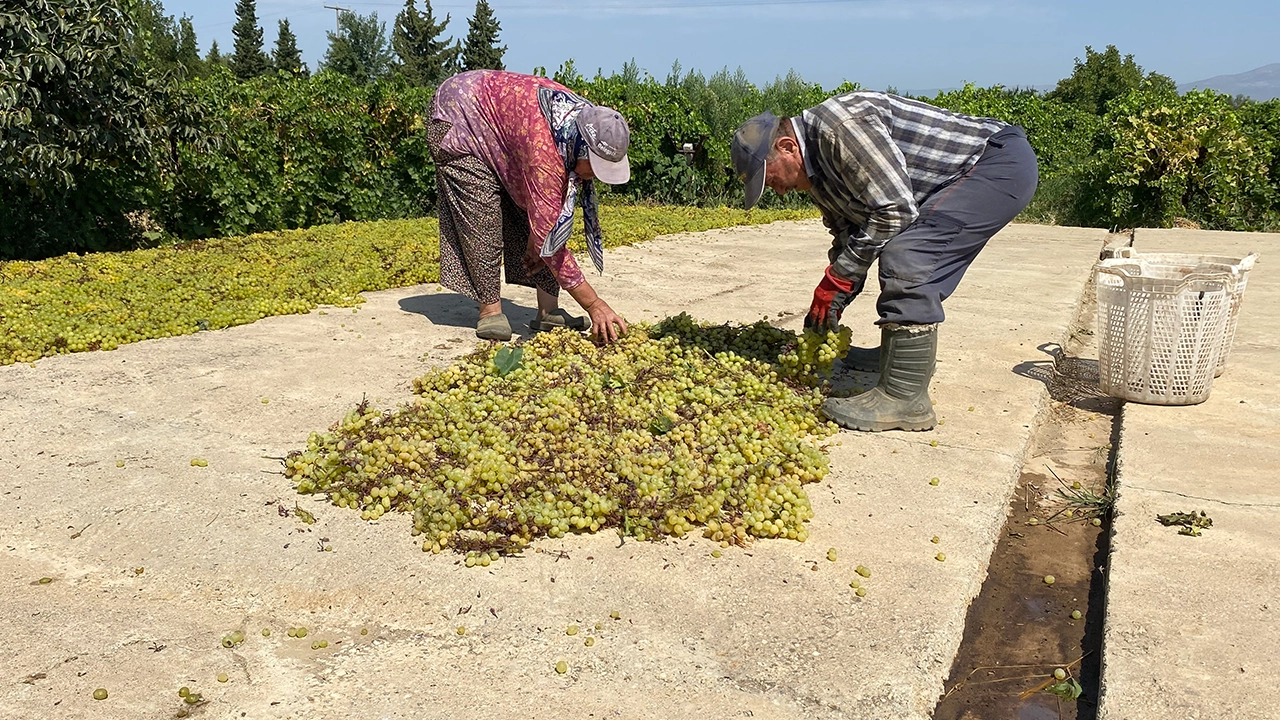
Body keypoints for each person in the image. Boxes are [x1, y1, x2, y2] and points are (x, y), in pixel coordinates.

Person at [731, 92, 1038, 432]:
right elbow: (849, 238)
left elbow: (896, 210)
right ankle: (896, 359)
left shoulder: (840, 126)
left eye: (772, 179)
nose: (781, 192)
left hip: (995, 164)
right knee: (897, 250)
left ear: (788, 147)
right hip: (967, 175)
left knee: (908, 255)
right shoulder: (817, 175)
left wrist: (842, 276)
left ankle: (906, 397)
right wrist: (836, 290)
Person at [428, 70, 631, 342]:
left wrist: (538, 240)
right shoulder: (546, 153)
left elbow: (550, 220)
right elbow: (550, 236)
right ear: (581, 150)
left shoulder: (588, 124)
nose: (595, 176)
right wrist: (594, 304)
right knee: (483, 217)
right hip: (457, 115)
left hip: (504, 129)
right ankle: (490, 311)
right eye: (595, 167)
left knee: (546, 221)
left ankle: (549, 311)